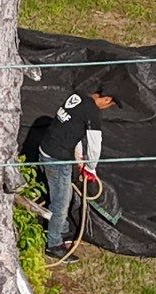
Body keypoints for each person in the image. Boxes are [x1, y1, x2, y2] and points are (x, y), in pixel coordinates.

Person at [30, 90, 112, 257]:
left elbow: (73, 131)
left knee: (63, 196)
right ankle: (54, 245)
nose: (107, 108)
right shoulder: (92, 112)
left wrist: (80, 159)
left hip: (45, 149)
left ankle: (63, 229)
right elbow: (94, 145)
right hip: (57, 159)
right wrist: (90, 168)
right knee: (60, 203)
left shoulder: (79, 97)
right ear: (106, 99)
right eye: (110, 105)